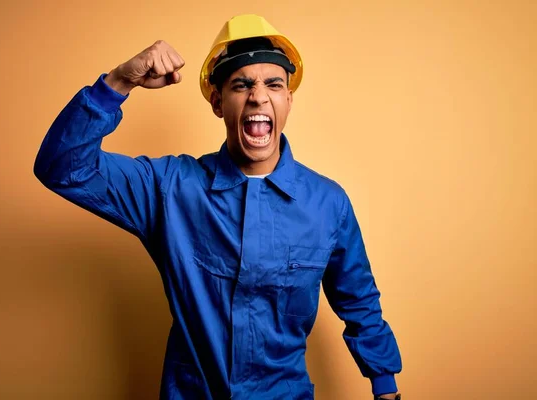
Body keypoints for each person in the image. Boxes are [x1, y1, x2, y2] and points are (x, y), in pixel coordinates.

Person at [34, 14, 402, 400]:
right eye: (241, 84)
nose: (258, 96)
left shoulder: (328, 204)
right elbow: (62, 167)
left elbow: (359, 302)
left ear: (288, 100)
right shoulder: (169, 187)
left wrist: (385, 385)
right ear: (217, 102)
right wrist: (119, 82)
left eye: (273, 84)